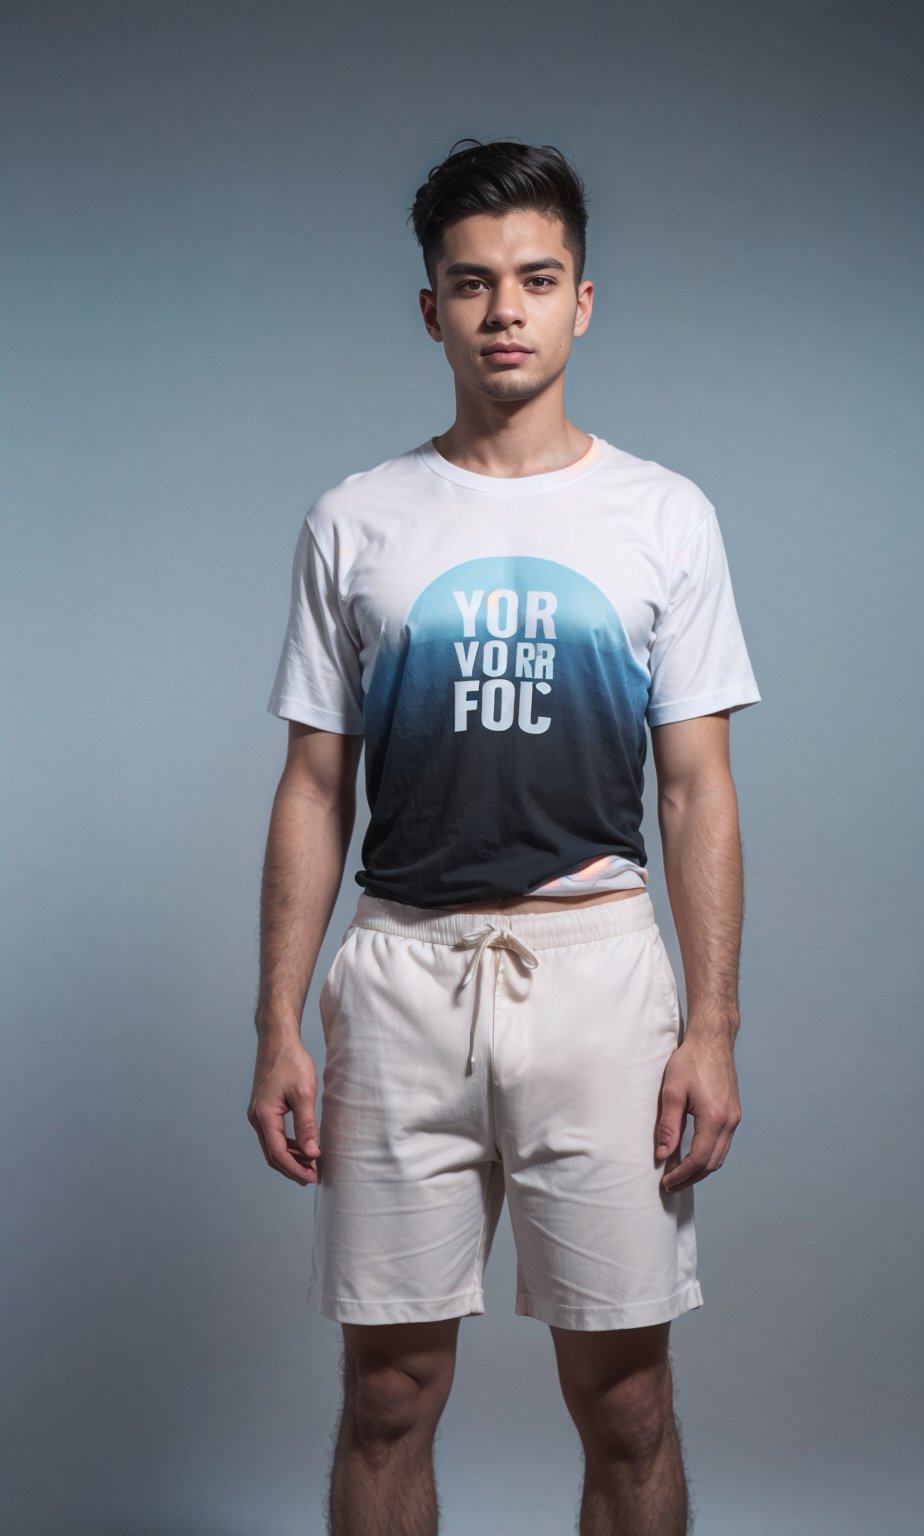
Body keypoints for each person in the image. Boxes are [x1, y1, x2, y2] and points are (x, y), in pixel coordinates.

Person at [249, 138, 761, 1536]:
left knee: (630, 1403)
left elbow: (698, 789)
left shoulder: (663, 516)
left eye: (536, 279)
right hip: (402, 974)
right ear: (431, 309)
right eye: (471, 285)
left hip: (596, 972)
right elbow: (312, 785)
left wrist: (709, 1025)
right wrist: (277, 1023)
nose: (504, 312)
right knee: (388, 1396)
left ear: (583, 301)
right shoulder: (358, 520)